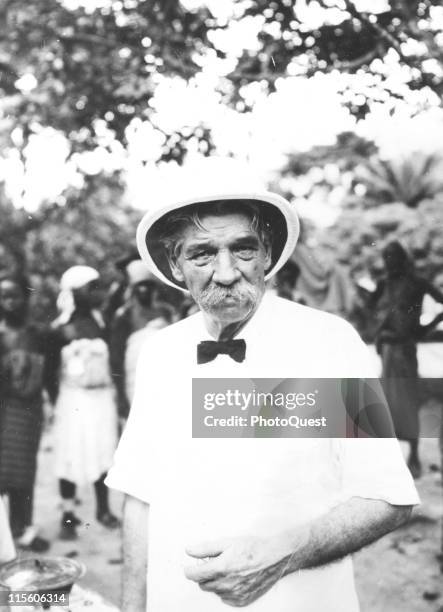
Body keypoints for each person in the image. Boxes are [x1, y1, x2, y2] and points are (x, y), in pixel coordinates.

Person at [106, 186, 419, 612]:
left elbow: (388, 497)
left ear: (268, 254)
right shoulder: (160, 351)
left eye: (243, 249)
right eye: (201, 254)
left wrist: (285, 554)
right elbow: (140, 499)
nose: (226, 272)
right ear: (175, 265)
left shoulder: (328, 342)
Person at [50, 266, 120, 539]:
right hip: (72, 400)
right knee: (70, 452)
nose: (96, 293)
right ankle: (68, 515)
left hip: (101, 398)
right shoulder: (60, 329)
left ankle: (103, 509)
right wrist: (56, 403)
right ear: (74, 292)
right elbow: (50, 374)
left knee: (102, 450)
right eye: (90, 288)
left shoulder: (101, 323)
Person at [371, 241, 443, 478]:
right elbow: (371, 309)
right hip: (387, 350)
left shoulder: (417, 283)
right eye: (386, 257)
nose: (389, 261)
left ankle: (413, 456)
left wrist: (423, 330)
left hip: (405, 349)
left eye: (393, 257)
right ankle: (390, 460)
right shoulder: (383, 284)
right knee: (386, 404)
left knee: (407, 401)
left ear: (402, 259)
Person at [0, 274, 53, 552]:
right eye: (3, 296)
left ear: (26, 297)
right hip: (3, 409)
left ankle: (22, 528)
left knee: (23, 471)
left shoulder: (38, 334)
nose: (8, 302)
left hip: (28, 412)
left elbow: (50, 374)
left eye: (14, 295)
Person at [110, 259, 172, 419]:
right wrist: (120, 395)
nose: (144, 290)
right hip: (135, 379)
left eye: (148, 285)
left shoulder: (166, 312)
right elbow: (116, 357)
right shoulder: (124, 315)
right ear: (133, 289)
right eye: (140, 286)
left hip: (164, 376)